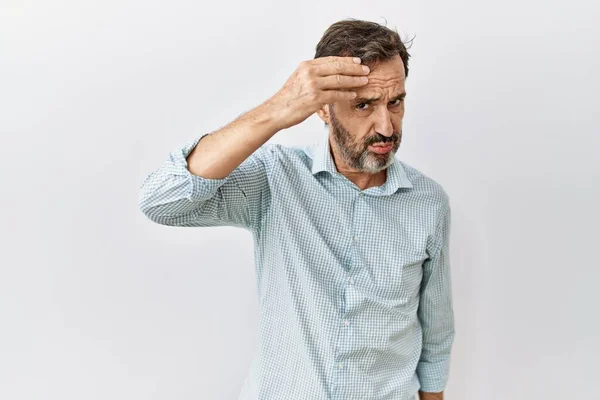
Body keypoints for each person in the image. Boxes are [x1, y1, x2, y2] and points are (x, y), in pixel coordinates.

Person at [139, 18, 455, 400]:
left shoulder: (428, 203)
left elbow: (435, 336)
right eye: (363, 105)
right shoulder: (276, 178)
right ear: (323, 109)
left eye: (396, 102)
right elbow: (161, 200)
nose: (386, 127)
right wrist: (278, 110)